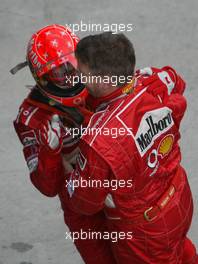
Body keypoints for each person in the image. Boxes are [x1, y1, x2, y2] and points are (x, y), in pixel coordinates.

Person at [62, 32, 198, 263]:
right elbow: (176, 83)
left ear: (102, 79)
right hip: (180, 198)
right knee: (183, 251)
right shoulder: (152, 81)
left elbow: (85, 203)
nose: (79, 79)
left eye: (82, 73)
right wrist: (167, 75)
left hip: (145, 234)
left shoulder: (99, 139)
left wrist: (68, 170)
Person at [12, 25, 116, 264]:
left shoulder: (98, 78)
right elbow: (47, 188)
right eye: (60, 72)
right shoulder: (30, 118)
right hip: (81, 206)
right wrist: (50, 152)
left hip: (121, 188)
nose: (71, 76)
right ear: (42, 77)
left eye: (73, 65)